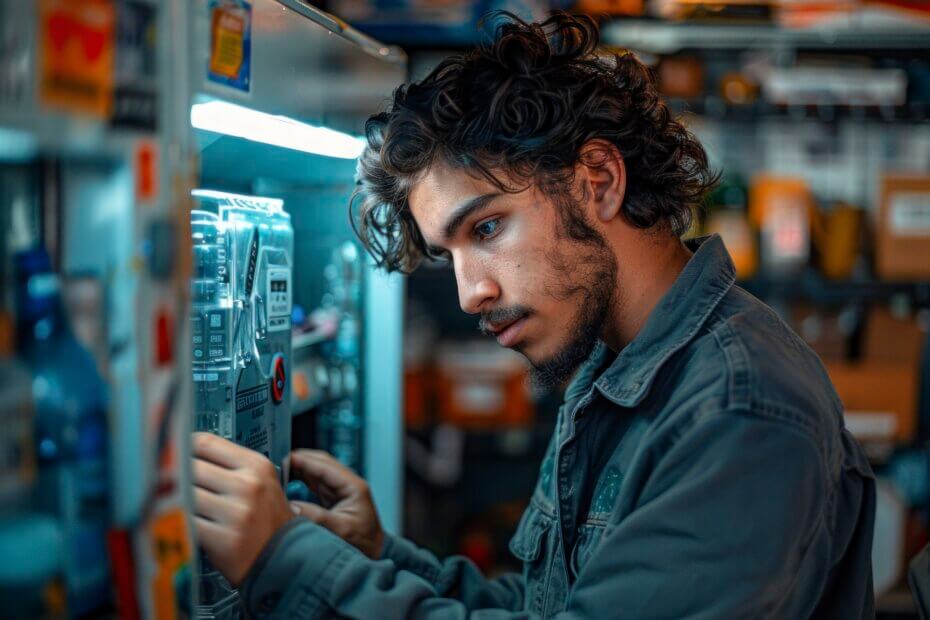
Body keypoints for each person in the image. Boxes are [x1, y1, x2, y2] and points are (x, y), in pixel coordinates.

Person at [192, 13, 876, 619]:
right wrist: (378, 556)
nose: (469, 295)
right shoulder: (617, 363)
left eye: (487, 229)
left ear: (598, 181)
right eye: (448, 255)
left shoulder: (738, 410)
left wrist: (285, 561)